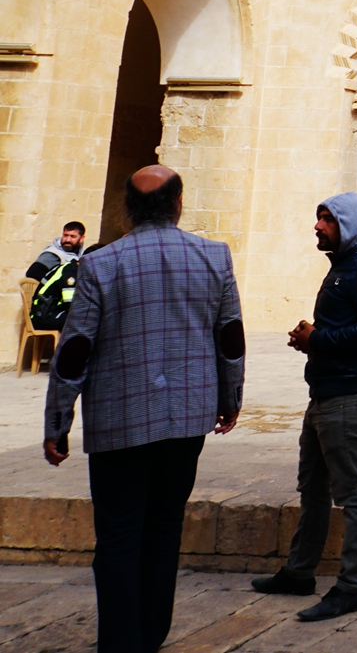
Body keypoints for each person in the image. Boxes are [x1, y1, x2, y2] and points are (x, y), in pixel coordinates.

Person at [43, 166, 244, 653]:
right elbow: (231, 337)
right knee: (163, 527)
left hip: (120, 419)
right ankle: (151, 634)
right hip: (187, 418)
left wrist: (57, 421)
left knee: (118, 534)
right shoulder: (213, 257)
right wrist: (229, 399)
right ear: (178, 204)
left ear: (128, 208)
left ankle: (120, 641)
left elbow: (75, 350)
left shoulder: (101, 264)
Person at [251, 194, 357, 622]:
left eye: (327, 220)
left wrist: (318, 340)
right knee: (312, 489)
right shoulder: (341, 270)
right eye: (318, 218)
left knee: (355, 495)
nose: (318, 226)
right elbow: (344, 327)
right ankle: (299, 572)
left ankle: (351, 588)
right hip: (325, 394)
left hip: (347, 397)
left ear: (348, 226)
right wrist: (310, 337)